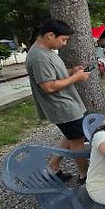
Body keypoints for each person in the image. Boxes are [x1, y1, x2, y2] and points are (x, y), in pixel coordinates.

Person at [25, 18, 90, 183]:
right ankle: (85, 176)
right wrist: (76, 77)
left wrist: (71, 71)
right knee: (77, 141)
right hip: (63, 107)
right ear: (50, 35)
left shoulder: (46, 51)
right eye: (63, 39)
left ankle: (53, 167)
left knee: (70, 136)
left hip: (68, 105)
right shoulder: (39, 57)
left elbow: (55, 74)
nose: (65, 43)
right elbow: (48, 86)